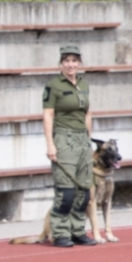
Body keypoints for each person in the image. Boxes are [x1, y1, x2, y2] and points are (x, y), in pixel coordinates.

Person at [43, 44, 96, 247]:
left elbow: (88, 114)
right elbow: (48, 115)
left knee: (84, 191)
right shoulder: (53, 85)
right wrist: (51, 144)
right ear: (61, 64)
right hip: (64, 139)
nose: (70, 65)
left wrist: (89, 141)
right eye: (66, 61)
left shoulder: (84, 84)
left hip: (82, 139)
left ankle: (78, 230)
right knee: (66, 191)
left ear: (80, 63)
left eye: (74, 61)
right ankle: (60, 232)